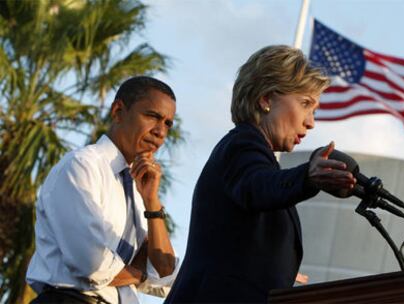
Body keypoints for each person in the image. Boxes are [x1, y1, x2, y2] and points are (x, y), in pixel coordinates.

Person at [165, 45, 356, 303]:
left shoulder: (256, 155)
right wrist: (307, 176)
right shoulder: (241, 145)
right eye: (305, 104)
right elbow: (257, 186)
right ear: (266, 99)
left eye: (314, 110)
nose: (311, 122)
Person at [27, 76, 179, 304]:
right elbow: (92, 265)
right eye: (152, 116)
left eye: (168, 123)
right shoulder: (81, 165)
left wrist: (152, 202)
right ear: (118, 111)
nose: (161, 131)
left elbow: (167, 273)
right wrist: (143, 275)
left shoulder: (139, 191)